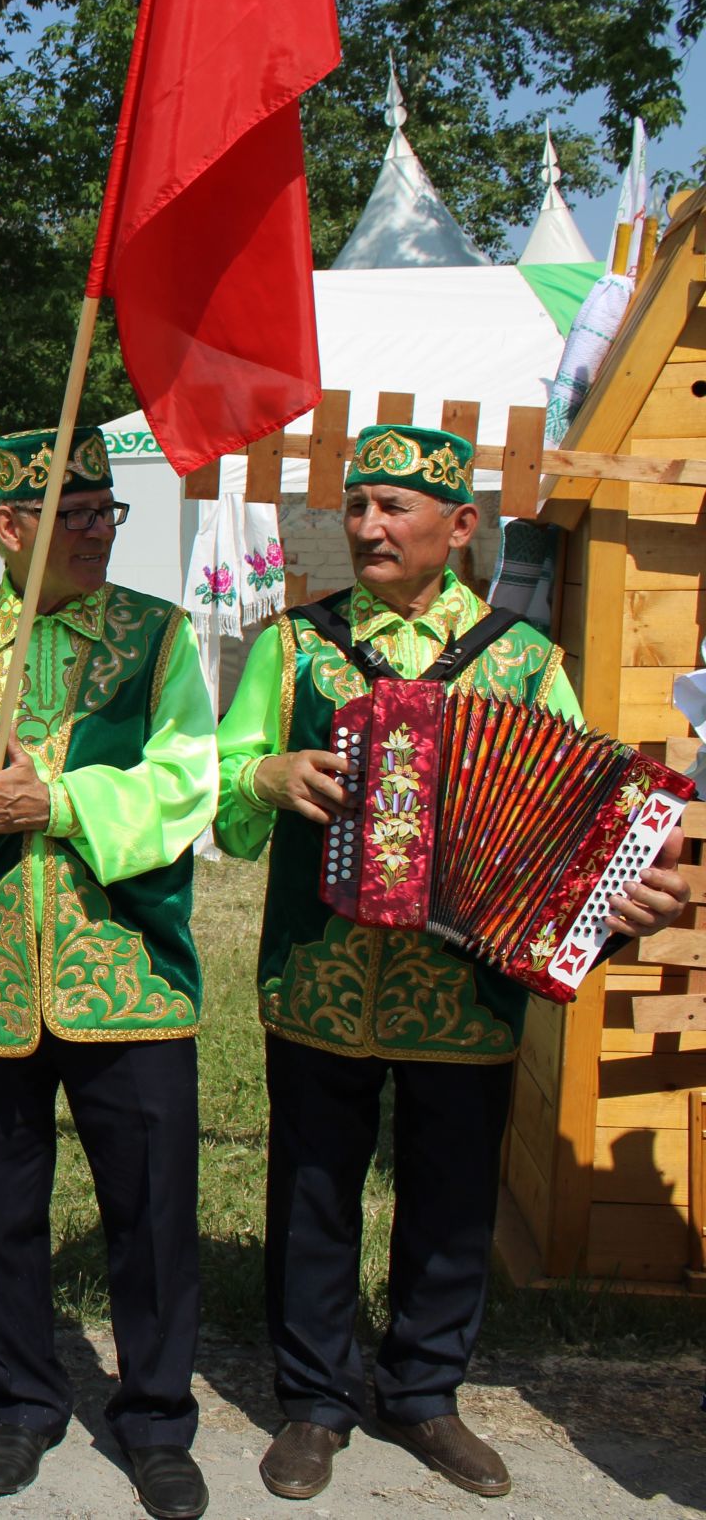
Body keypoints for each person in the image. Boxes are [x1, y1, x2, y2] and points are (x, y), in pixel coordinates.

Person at [214, 425, 691, 1502]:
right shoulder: (297, 647)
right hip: (322, 973)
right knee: (316, 1189)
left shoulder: (526, 662)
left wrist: (631, 882)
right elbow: (218, 792)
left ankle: (426, 1394)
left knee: (453, 1196)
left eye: (395, 508)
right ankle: (315, 1400)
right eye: (358, 506)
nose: (370, 527)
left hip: (466, 984)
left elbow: (588, 817)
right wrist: (265, 777)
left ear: (461, 527)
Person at [0, 428, 217, 1519]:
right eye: (72, 516)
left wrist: (61, 801)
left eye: (105, 512)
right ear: (7, 526)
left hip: (129, 972)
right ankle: (23, 1403)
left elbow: (186, 784)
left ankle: (159, 1419)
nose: (95, 535)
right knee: (2, 1211)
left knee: (153, 1211)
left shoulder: (159, 638)